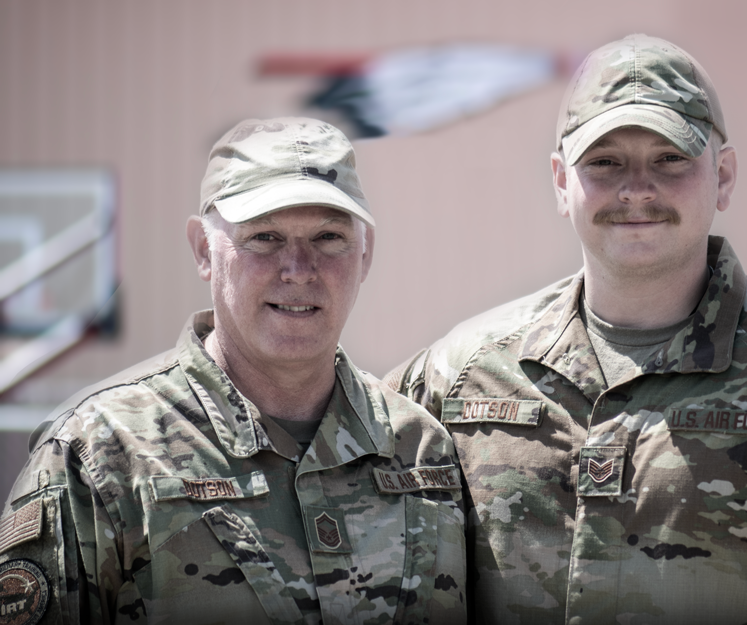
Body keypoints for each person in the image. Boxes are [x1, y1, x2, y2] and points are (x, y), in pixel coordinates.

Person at [385, 36, 747, 624]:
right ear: (560, 180)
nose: (636, 188)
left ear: (723, 175)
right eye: (604, 162)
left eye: (670, 158)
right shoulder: (464, 373)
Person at [0, 117, 466, 624]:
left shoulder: (422, 450)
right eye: (264, 236)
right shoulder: (101, 455)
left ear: (365, 253)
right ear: (203, 249)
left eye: (328, 237)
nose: (298, 268)